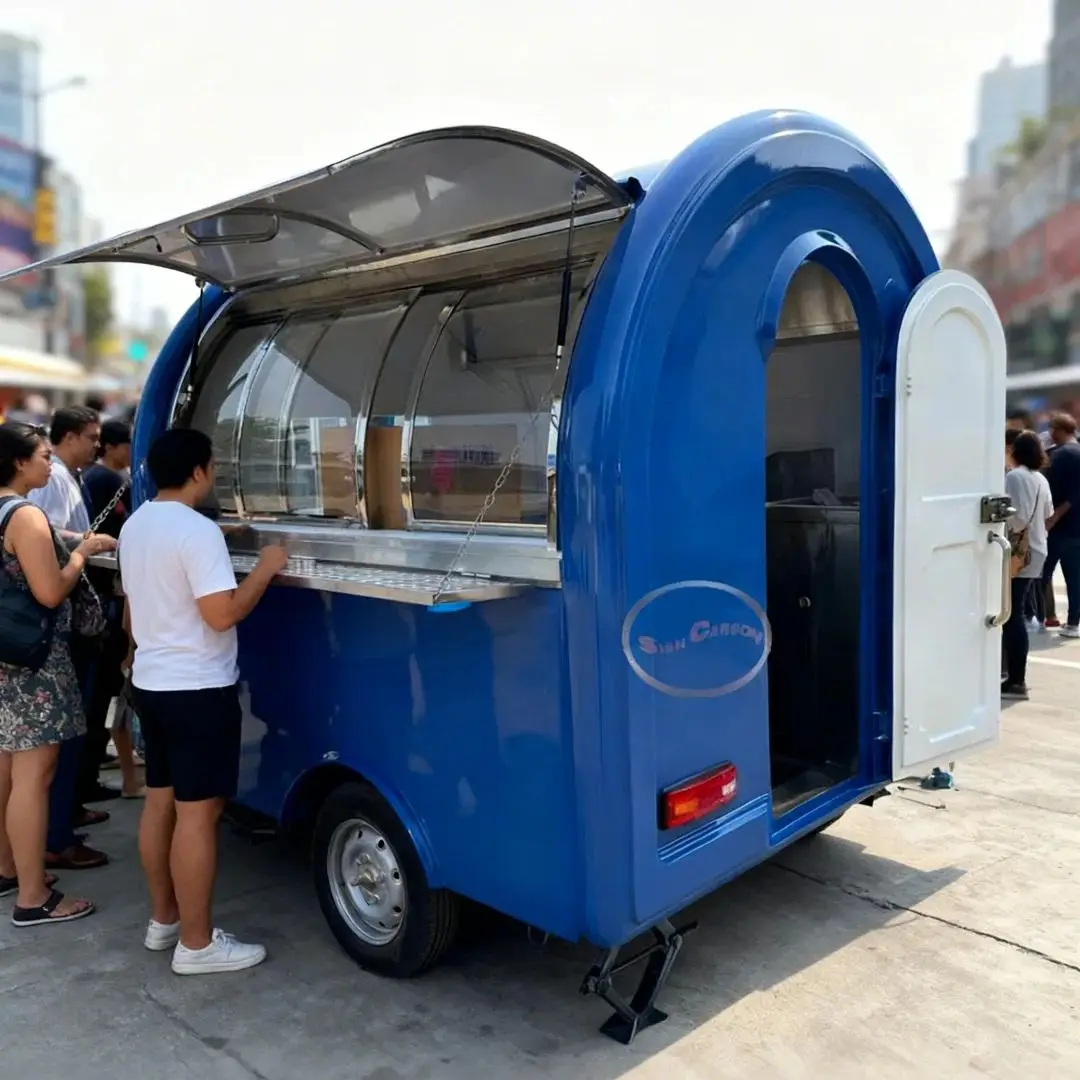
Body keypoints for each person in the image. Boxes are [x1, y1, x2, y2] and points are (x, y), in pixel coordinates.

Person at [119, 427, 287, 974]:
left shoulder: (137, 524)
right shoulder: (196, 532)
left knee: (160, 802)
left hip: (152, 683)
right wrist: (266, 565)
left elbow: (133, 610)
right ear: (200, 471)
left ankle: (164, 921)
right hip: (197, 689)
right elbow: (221, 614)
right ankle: (197, 945)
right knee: (199, 815)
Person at [0, 423, 116, 925]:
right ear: (19, 463)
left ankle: (8, 870)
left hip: (6, 657)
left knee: (6, 772)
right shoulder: (23, 515)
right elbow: (51, 592)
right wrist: (81, 555)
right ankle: (33, 897)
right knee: (33, 776)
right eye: (44, 456)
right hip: (34, 661)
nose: (50, 465)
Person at [27, 406, 113, 870]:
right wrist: (85, 547)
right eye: (41, 454)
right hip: (51, 632)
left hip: (48, 632)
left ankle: (61, 819)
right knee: (54, 742)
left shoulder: (61, 479)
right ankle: (54, 836)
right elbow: (51, 577)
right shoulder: (32, 501)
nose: (96, 446)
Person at [83, 420, 143, 798]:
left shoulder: (102, 477)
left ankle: (108, 767)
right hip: (111, 598)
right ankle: (116, 775)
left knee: (114, 694)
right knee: (117, 692)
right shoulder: (106, 480)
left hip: (115, 598)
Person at [1003, 430, 1054, 701]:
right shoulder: (1040, 479)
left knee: (1011, 615)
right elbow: (1047, 514)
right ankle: (1014, 677)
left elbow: (1016, 518)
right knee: (1016, 611)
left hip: (1018, 552)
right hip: (1038, 549)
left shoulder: (1014, 477)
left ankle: (1015, 680)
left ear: (1014, 451)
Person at [1043, 413, 1080, 639]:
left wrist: (1052, 518)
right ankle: (1073, 622)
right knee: (1074, 577)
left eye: (1051, 428)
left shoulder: (1059, 456)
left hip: (1057, 527)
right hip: (1077, 527)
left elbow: (1049, 490)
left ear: (1059, 429)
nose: (1049, 433)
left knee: (1040, 573)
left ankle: (1038, 616)